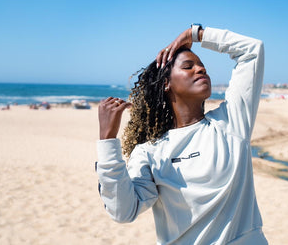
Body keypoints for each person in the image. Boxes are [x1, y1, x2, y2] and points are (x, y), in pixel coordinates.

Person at [96, 24, 268, 244]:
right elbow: (122, 211)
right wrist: (107, 140)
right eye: (188, 66)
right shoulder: (150, 152)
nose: (201, 69)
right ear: (166, 84)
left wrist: (194, 34)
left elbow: (252, 50)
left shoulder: (231, 123)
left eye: (202, 66)